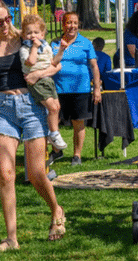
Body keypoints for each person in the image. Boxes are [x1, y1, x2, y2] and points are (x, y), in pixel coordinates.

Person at [0, 0, 65, 251]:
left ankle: (56, 209)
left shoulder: (25, 37)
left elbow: (55, 65)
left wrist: (38, 74)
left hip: (32, 106)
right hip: (4, 109)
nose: (5, 24)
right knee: (6, 174)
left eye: (8, 18)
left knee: (35, 173)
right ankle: (12, 238)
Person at [50, 12, 102, 165]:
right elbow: (49, 62)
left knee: (78, 123)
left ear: (78, 24)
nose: (72, 26)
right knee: (53, 122)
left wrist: (97, 88)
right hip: (57, 89)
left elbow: (94, 66)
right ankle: (56, 151)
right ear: (63, 24)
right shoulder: (54, 43)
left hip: (81, 89)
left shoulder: (86, 43)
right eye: (68, 23)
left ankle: (76, 156)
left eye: (75, 23)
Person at [18, 13, 66, 156]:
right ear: (23, 35)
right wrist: (34, 47)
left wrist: (62, 50)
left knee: (57, 107)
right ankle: (54, 133)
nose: (33, 36)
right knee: (51, 107)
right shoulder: (25, 49)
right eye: (29, 33)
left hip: (48, 80)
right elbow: (31, 62)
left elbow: (55, 62)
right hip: (36, 83)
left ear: (43, 34)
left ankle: (53, 132)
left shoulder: (46, 47)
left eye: (36, 32)